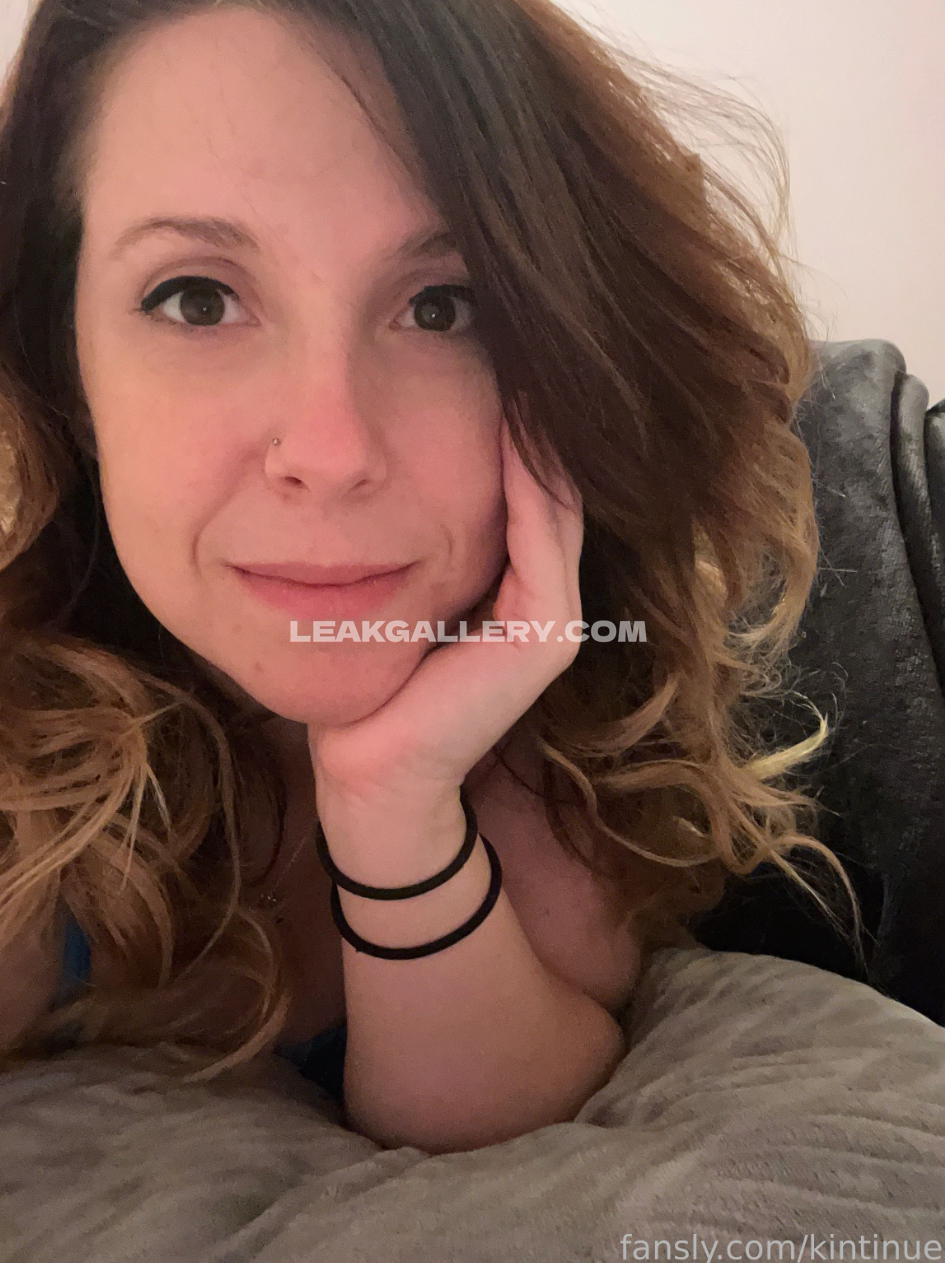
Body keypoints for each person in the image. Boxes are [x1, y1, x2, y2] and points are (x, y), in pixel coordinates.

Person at [0, 0, 864, 1156]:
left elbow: (488, 1127)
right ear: (64, 363)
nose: (332, 448)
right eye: (197, 298)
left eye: (442, 307)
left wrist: (395, 807)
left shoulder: (577, 752)